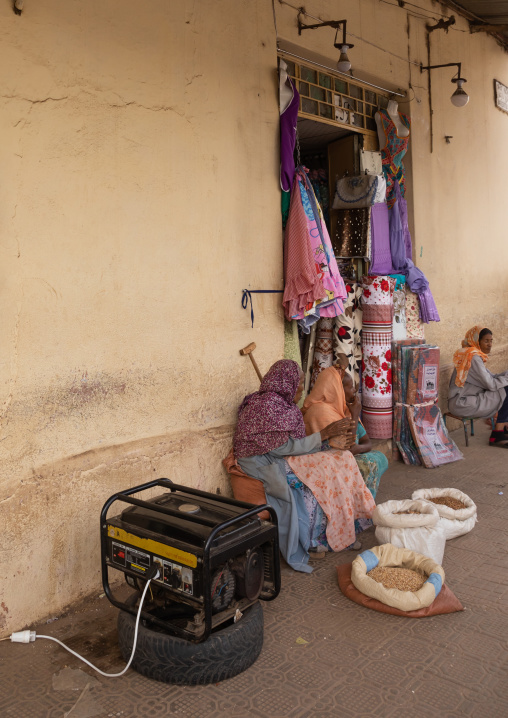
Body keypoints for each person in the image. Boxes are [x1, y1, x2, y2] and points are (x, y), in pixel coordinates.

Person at [232, 359, 375, 571]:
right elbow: (280, 448)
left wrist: (325, 440)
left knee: (341, 458)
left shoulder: (280, 404)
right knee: (325, 469)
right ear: (287, 383)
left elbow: (286, 445)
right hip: (261, 462)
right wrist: (324, 435)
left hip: (277, 454)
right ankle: (316, 541)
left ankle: (348, 525)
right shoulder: (265, 406)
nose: (301, 390)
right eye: (299, 385)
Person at [302, 365, 389, 498]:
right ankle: (359, 506)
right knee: (366, 463)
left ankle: (362, 503)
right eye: (350, 386)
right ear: (337, 390)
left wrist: (356, 448)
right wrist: (354, 415)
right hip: (326, 464)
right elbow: (347, 449)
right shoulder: (320, 412)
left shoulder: (343, 409)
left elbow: (367, 443)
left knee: (379, 456)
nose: (354, 390)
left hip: (345, 456)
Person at [448, 326, 508, 446]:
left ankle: (501, 429)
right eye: (486, 341)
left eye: (491, 341)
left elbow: (492, 376)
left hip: (466, 400)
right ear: (476, 341)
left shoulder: (472, 354)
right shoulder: (473, 357)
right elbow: (491, 384)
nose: (490, 344)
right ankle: (498, 433)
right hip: (462, 403)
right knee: (505, 390)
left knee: (504, 388)